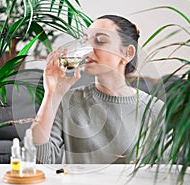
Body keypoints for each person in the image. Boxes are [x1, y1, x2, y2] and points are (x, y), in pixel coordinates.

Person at [30, 14, 163, 164]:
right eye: (86, 42)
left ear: (127, 53)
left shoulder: (155, 109)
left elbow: (164, 173)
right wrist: (51, 95)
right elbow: (36, 160)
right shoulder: (67, 100)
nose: (87, 50)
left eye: (100, 41)